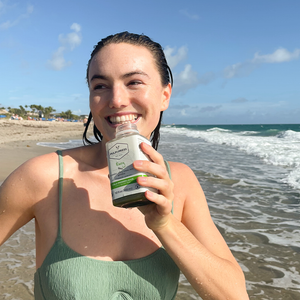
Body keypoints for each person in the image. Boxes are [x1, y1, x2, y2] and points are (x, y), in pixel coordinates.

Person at [0, 32, 249, 299]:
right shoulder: (43, 177)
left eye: (134, 82)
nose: (116, 100)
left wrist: (164, 224)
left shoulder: (181, 181)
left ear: (165, 95)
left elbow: (233, 295)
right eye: (100, 86)